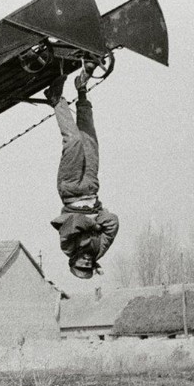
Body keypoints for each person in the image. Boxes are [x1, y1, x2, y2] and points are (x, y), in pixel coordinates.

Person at [45, 65, 119, 279]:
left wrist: (95, 223)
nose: (86, 261)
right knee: (89, 140)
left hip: (71, 190)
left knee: (74, 141)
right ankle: (82, 89)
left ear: (73, 261)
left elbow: (74, 222)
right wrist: (99, 221)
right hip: (91, 188)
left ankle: (56, 98)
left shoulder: (67, 247)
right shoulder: (98, 249)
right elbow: (113, 221)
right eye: (88, 266)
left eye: (81, 265)